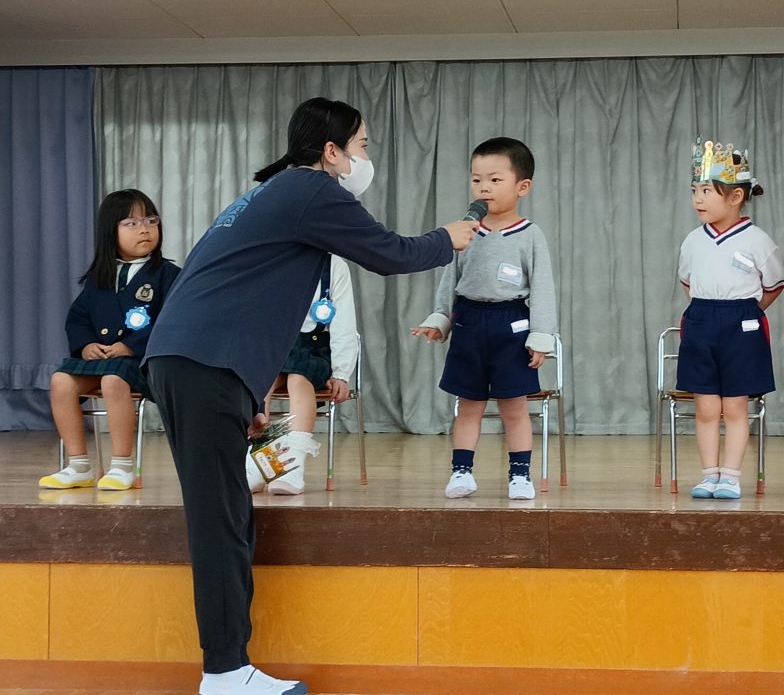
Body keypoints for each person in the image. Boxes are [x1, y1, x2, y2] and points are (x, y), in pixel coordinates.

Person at [143, 97, 478, 695]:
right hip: (202, 363)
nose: (365, 157)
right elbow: (390, 253)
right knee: (219, 521)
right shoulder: (311, 189)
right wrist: (448, 239)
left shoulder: (274, 192)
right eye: (362, 145)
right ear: (331, 151)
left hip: (198, 361)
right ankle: (223, 673)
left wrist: (245, 389)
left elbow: (229, 285)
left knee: (228, 514)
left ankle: (230, 667)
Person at [412, 137, 556, 501]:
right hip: (469, 322)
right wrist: (440, 319)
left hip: (512, 325)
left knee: (514, 407)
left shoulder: (530, 235)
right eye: (477, 180)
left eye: (494, 179)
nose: (483, 188)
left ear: (522, 186)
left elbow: (543, 288)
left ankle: (520, 475)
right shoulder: (466, 230)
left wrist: (541, 336)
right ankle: (461, 471)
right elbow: (451, 280)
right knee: (468, 405)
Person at [40, 189, 179, 491]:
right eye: (131, 223)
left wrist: (131, 345)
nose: (144, 229)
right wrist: (86, 345)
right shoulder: (99, 278)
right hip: (104, 360)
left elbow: (173, 321)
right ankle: (78, 466)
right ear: (110, 232)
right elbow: (77, 318)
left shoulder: (168, 275)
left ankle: (122, 466)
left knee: (113, 381)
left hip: (141, 362)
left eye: (150, 220)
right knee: (61, 381)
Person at [676, 139, 784, 500]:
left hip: (742, 324)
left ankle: (731, 477)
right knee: (706, 406)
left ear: (736, 196)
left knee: (736, 406)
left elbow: (775, 284)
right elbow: (687, 281)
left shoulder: (757, 240)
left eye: (707, 191)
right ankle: (709, 475)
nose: (698, 199)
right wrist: (706, 313)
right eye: (694, 190)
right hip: (701, 322)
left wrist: (747, 311)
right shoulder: (693, 240)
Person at [248, 254, 358, 495]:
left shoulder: (334, 266)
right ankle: (259, 462)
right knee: (261, 382)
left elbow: (345, 323)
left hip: (315, 349)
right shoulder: (273, 260)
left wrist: (341, 372)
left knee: (298, 378)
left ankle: (292, 464)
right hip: (276, 346)